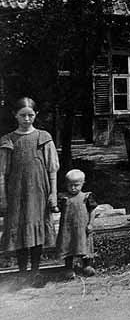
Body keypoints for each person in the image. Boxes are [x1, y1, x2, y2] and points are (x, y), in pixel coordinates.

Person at [0, 97, 59, 286]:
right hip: (16, 192)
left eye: (30, 115)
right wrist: (2, 197)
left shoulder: (44, 137)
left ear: (36, 115)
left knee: (36, 227)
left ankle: (35, 271)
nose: (27, 119)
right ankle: (22, 271)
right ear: (15, 115)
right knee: (20, 228)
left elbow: (52, 169)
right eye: (22, 115)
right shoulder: (8, 140)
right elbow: (1, 173)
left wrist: (53, 194)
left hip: (38, 191)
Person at [56, 169, 97, 279]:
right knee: (67, 245)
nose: (73, 188)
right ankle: (69, 268)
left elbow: (92, 210)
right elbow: (57, 209)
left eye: (76, 185)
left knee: (84, 244)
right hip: (68, 228)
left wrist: (91, 224)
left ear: (82, 184)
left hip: (82, 227)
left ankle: (87, 266)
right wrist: (54, 206)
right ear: (66, 184)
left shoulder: (86, 197)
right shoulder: (64, 198)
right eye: (70, 185)